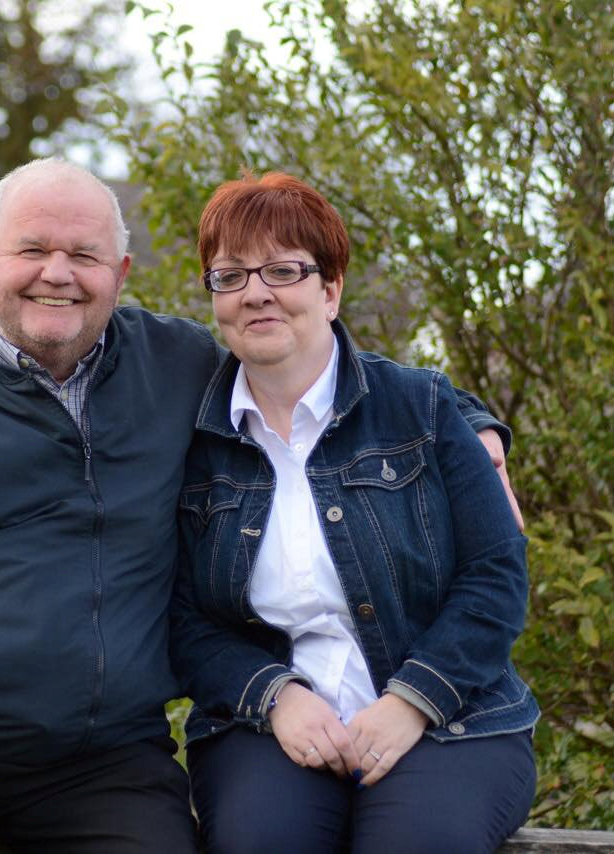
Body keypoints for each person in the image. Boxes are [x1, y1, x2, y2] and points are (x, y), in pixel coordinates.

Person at [0, 158, 519, 854]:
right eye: (31, 250)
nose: (57, 275)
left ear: (120, 274)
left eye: (85, 256)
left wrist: (475, 426)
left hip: (98, 761)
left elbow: (320, 364)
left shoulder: (178, 366)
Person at [170, 171, 540, 854]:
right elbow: (185, 617)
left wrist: (412, 701)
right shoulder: (190, 441)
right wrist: (274, 695)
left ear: (331, 288)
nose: (256, 293)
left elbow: (496, 575)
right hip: (265, 727)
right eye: (230, 276)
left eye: (283, 270)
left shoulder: (421, 410)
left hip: (449, 719)